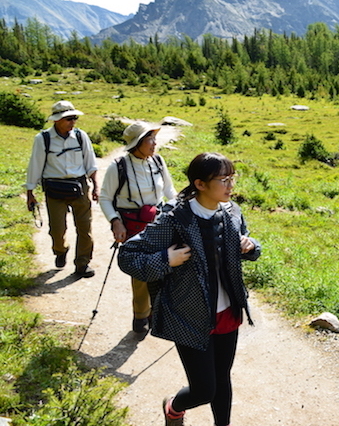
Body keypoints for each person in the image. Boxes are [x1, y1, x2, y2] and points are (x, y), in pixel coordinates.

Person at [118, 152, 260, 426]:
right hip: (188, 314)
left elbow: (244, 242)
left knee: (222, 378)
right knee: (204, 389)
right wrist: (165, 260)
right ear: (200, 184)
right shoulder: (174, 219)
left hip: (227, 310)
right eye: (223, 179)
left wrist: (251, 246)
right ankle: (173, 407)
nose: (230, 185)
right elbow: (128, 256)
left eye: (232, 178)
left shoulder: (231, 211)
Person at [99, 121, 177, 335]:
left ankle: (158, 311)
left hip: (158, 221)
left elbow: (169, 190)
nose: (155, 143)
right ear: (137, 144)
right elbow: (105, 198)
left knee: (164, 265)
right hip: (133, 224)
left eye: (154, 138)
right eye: (150, 139)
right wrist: (115, 221)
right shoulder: (119, 167)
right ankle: (141, 315)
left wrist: (180, 212)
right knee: (142, 272)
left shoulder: (158, 161)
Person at [26, 100, 99, 278]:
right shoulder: (43, 139)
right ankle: (60, 250)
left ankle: (82, 264)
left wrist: (96, 186)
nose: (72, 122)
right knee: (57, 230)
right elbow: (35, 166)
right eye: (68, 119)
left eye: (74, 118)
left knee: (85, 229)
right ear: (56, 120)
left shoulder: (81, 137)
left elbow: (91, 163)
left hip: (79, 187)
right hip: (54, 189)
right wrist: (30, 192)